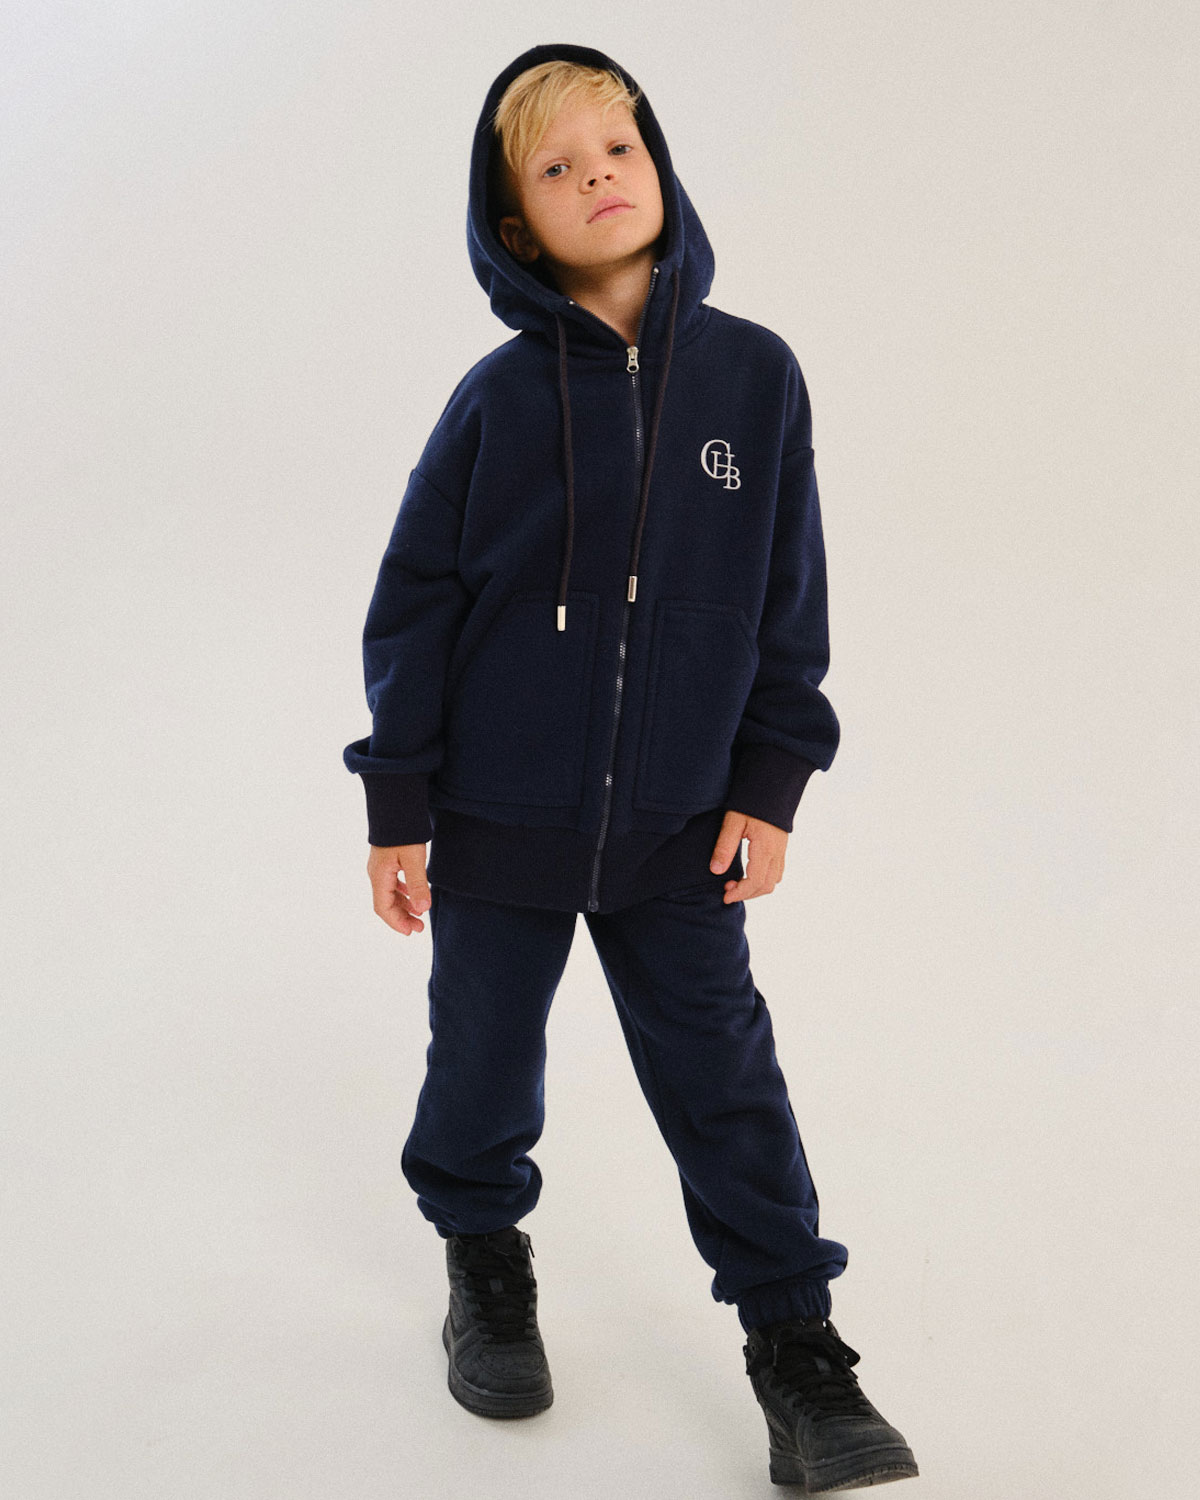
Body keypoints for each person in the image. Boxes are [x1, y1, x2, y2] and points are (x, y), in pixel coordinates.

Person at [343, 41, 918, 1493]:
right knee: (482, 1061)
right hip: (495, 818)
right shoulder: (495, 401)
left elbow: (788, 599)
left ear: (659, 167)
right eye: (559, 167)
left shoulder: (755, 378)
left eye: (620, 149)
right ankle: (484, 1258)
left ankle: (798, 1350)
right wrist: (399, 798)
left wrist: (771, 781)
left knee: (726, 1081)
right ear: (514, 223)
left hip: (680, 826)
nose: (599, 177)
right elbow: (414, 601)